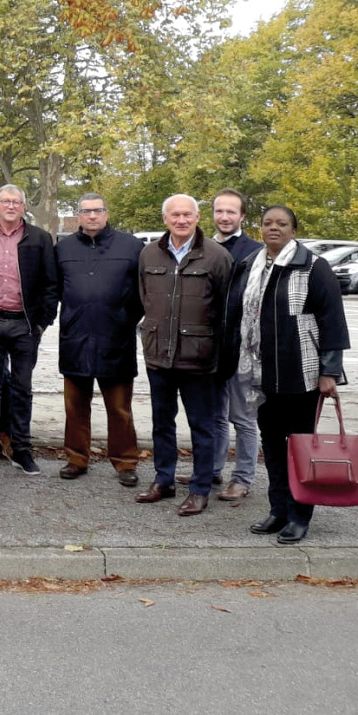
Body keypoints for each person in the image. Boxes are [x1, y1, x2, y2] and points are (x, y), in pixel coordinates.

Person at [229, 206, 350, 544]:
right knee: (273, 446)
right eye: (268, 223)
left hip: (302, 375)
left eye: (282, 224)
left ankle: (300, 515)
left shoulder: (313, 267)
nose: (274, 229)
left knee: (300, 448)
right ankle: (278, 509)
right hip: (262, 375)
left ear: (293, 229)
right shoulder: (251, 265)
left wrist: (330, 372)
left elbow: (332, 321)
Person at [135, 194, 232, 515]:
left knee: (201, 426)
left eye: (187, 215)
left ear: (197, 217)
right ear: (165, 219)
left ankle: (200, 488)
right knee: (162, 423)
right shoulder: (149, 254)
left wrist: (220, 355)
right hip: (158, 356)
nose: (181, 220)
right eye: (175, 215)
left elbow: (227, 310)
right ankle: (164, 479)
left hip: (199, 359)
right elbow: (145, 298)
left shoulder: (216, 256)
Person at [55, 193, 144, 486]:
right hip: (75, 337)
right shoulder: (63, 248)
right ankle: (76, 458)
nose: (92, 216)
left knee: (119, 408)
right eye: (86, 211)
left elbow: (142, 293)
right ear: (78, 215)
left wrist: (125, 318)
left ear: (106, 213)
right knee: (75, 405)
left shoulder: (131, 247)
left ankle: (125, 460)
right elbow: (56, 289)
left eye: (97, 210)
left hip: (115, 338)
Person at [0, 184, 59, 475]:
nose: (10, 206)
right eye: (5, 201)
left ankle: (22, 449)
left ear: (23, 207)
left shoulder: (40, 239)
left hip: (25, 323)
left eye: (16, 202)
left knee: (22, 388)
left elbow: (51, 283)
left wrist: (43, 321)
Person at [209, 188, 263, 501]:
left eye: (231, 212)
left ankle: (242, 477)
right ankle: (214, 470)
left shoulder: (256, 252)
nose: (225, 217)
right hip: (211, 347)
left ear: (242, 216)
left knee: (243, 418)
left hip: (243, 350)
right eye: (220, 211)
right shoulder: (206, 247)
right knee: (215, 415)